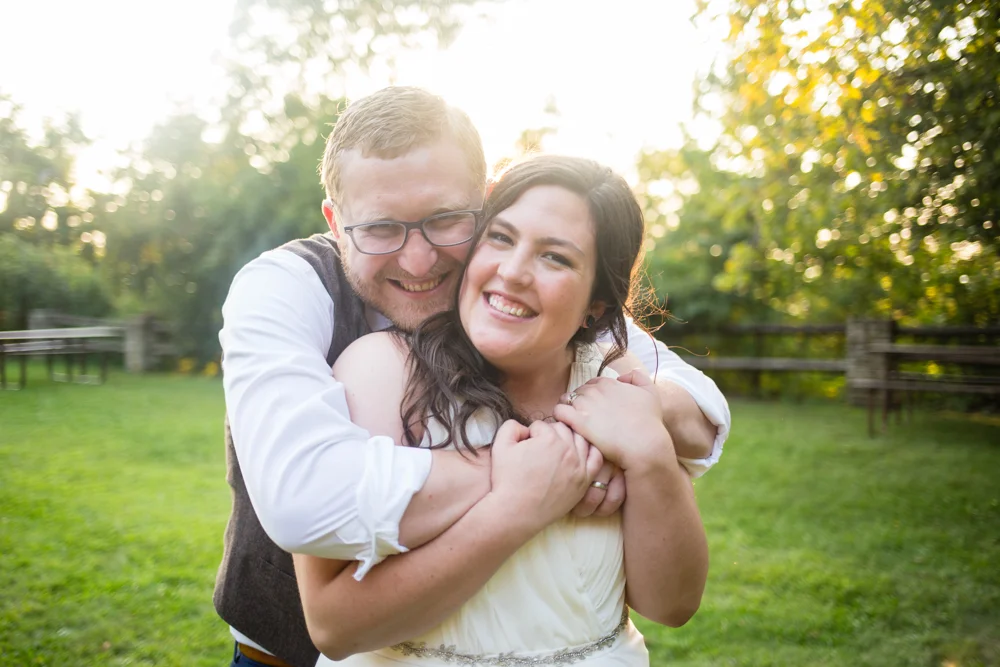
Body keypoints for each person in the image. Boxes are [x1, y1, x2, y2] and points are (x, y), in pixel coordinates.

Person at [215, 87, 730, 667]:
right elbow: (302, 504)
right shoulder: (292, 297)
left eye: (443, 220)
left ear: (481, 206)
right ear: (337, 224)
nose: (417, 261)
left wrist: (647, 437)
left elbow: (694, 404)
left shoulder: (597, 360)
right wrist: (542, 471)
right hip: (279, 653)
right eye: (381, 229)